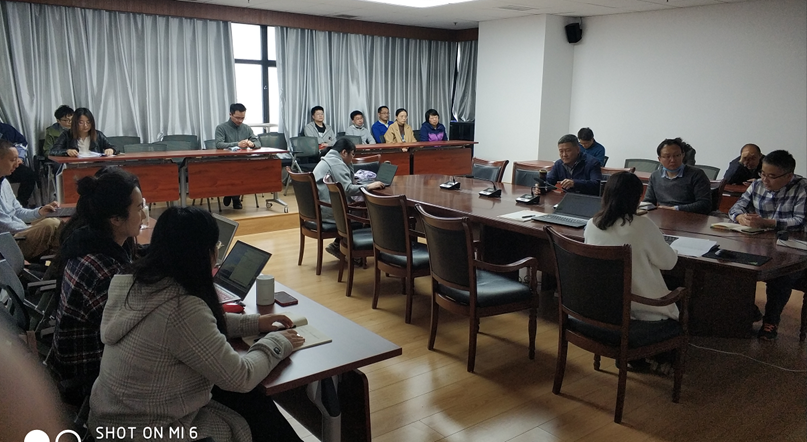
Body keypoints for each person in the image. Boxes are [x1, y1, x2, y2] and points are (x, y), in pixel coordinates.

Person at [88, 207, 305, 442]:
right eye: (216, 247)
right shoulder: (181, 309)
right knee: (251, 406)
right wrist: (277, 342)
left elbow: (198, 328)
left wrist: (253, 323)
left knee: (250, 402)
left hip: (110, 422)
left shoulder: (137, 284)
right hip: (147, 433)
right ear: (203, 254)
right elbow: (241, 376)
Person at [45, 169, 143, 403]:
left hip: (73, 364)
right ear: (115, 219)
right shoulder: (105, 271)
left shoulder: (87, 242)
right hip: (90, 379)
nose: (143, 214)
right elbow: (133, 333)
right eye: (139, 208)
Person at [728, 150, 807, 340]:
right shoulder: (757, 184)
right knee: (731, 264)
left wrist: (767, 222)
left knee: (781, 275)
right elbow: (735, 207)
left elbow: (800, 221)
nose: (765, 179)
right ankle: (746, 310)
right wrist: (740, 217)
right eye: (762, 173)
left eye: (771, 176)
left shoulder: (802, 189)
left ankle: (771, 321)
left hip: (794, 250)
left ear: (788, 176)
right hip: (760, 244)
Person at [585, 172, 679, 321]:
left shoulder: (592, 224)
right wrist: (673, 249)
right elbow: (668, 263)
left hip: (602, 308)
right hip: (644, 313)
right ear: (638, 198)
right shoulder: (644, 226)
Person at [313, 138, 384, 258]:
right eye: (352, 154)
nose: (353, 158)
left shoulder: (330, 159)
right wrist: (369, 186)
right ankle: (356, 252)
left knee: (362, 206)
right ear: (344, 152)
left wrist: (349, 163)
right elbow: (347, 189)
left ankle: (340, 245)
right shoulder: (336, 163)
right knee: (369, 212)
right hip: (330, 211)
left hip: (323, 206)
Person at [0, 140, 60, 260]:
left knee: (57, 221)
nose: (17, 164)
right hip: (10, 242)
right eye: (12, 160)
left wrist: (40, 212)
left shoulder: (4, 182)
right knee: (52, 224)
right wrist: (32, 229)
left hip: (20, 233)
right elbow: (5, 226)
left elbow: (18, 212)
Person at [643, 137, 711, 214]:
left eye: (677, 155)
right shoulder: (655, 176)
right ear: (659, 159)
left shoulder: (697, 175)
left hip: (689, 217)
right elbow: (648, 201)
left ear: (683, 155)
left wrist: (675, 209)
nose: (672, 160)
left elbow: (704, 204)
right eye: (667, 156)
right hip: (662, 216)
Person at [215, 103, 260, 210]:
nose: (240, 121)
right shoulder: (221, 128)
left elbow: (257, 142)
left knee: (243, 171)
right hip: (225, 161)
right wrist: (237, 144)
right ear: (230, 114)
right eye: (237, 118)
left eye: (242, 118)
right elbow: (219, 144)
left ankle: (232, 195)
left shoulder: (246, 128)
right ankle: (234, 197)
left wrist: (252, 144)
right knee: (232, 172)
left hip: (243, 161)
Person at [50, 108, 117, 157]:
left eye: (88, 122)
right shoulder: (66, 135)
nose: (85, 125)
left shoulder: (98, 135)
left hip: (95, 165)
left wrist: (111, 150)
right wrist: (67, 151)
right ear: (75, 123)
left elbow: (114, 147)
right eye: (81, 123)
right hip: (74, 166)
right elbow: (53, 151)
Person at [0, 122, 38, 207]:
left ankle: (21, 204)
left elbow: (22, 143)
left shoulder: (6, 129)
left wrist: (18, 158)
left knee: (29, 175)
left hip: (7, 164)